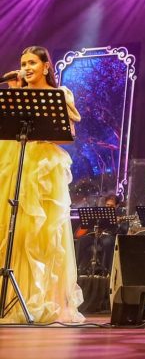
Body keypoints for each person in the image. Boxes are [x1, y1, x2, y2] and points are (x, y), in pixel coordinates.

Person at [0, 46, 84, 324]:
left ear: (46, 66)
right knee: (11, 228)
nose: (26, 67)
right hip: (14, 160)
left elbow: (68, 137)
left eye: (32, 63)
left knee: (39, 233)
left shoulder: (60, 95)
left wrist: (43, 134)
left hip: (44, 167)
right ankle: (8, 297)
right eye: (23, 63)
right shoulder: (16, 93)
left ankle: (39, 299)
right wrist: (14, 94)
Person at [76, 193, 128, 275]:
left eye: (111, 206)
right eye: (107, 205)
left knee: (107, 242)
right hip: (95, 236)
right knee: (81, 241)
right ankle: (76, 268)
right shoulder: (100, 213)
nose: (108, 207)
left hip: (109, 236)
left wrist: (117, 223)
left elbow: (123, 231)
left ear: (117, 206)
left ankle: (105, 271)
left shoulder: (121, 215)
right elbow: (88, 226)